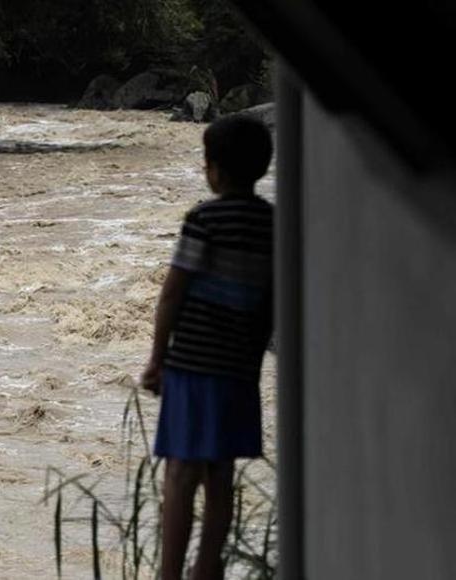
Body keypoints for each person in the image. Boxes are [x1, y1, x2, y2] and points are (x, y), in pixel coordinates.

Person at [140, 115, 274, 580]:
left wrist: (157, 358)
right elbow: (271, 304)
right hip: (240, 371)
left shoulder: (204, 219)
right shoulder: (271, 223)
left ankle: (170, 573)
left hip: (192, 367)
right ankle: (206, 569)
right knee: (220, 475)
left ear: (214, 169)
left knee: (180, 474)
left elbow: (173, 291)